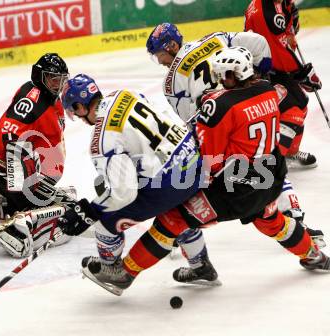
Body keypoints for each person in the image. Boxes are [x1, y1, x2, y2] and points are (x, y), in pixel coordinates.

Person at [60, 49, 329, 296]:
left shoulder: (219, 105)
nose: (220, 79)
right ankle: (314, 255)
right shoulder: (267, 90)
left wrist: (202, 127)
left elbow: (211, 158)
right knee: (272, 220)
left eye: (224, 75)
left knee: (173, 219)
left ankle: (124, 273)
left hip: (236, 188)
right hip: (270, 175)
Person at [146, 23, 324, 281]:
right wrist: (259, 81)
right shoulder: (216, 37)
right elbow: (260, 43)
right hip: (253, 104)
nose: (160, 60)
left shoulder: (172, 80)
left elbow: (194, 121)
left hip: (222, 120)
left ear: (171, 46)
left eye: (159, 54)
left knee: (206, 183)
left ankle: (190, 247)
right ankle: (296, 220)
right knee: (264, 158)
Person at [58, 73, 204, 295]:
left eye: (74, 111)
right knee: (174, 209)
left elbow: (124, 193)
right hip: (195, 160)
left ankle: (111, 270)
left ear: (79, 106)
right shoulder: (125, 94)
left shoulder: (101, 140)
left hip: (171, 182)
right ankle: (201, 265)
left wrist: (91, 210)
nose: (77, 117)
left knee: (104, 221)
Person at [0, 53, 75, 258]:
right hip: (11, 172)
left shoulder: (48, 98)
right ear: (40, 76)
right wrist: (21, 173)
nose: (58, 85)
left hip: (21, 173)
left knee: (58, 199)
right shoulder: (34, 101)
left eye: (62, 80)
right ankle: (19, 228)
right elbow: (8, 131)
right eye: (54, 79)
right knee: (67, 206)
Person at [244, 0, 322, 169]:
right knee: (292, 109)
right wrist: (302, 73)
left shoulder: (273, 4)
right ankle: (273, 162)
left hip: (266, 67)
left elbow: (284, 32)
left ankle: (289, 153)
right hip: (264, 71)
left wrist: (290, 20)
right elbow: (278, 51)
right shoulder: (266, 13)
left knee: (299, 101)